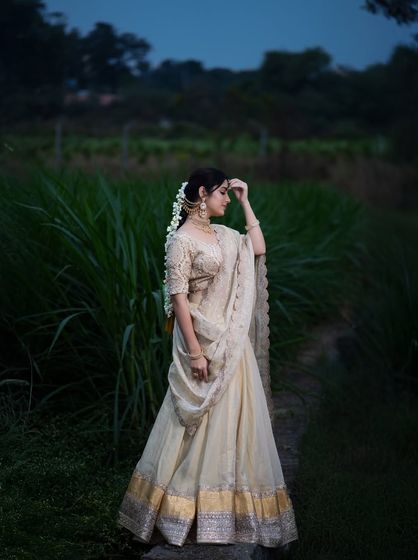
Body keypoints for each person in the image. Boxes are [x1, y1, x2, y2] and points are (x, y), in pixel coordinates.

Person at [116, 167, 298, 548]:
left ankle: (225, 511)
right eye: (223, 194)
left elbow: (259, 248)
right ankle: (179, 511)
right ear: (202, 193)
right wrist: (196, 352)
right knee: (188, 423)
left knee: (232, 421)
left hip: (231, 342)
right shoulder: (181, 241)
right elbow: (178, 298)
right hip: (199, 340)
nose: (227, 200)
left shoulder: (225, 235)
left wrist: (248, 202)